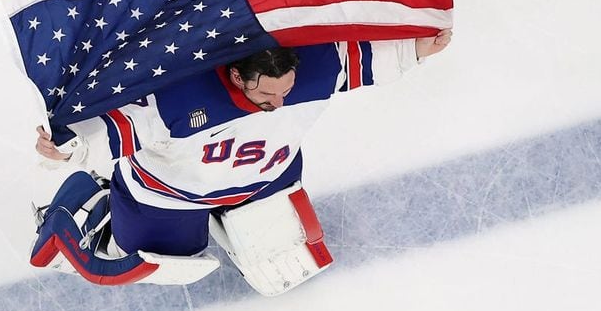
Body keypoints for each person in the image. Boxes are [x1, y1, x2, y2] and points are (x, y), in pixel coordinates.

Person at [29, 30, 452, 293]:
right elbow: (106, 131)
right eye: (267, 95)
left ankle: (231, 209)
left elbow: (369, 60)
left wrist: (418, 48)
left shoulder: (315, 68)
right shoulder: (176, 96)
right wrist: (66, 150)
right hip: (171, 194)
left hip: (267, 176)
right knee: (141, 257)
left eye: (286, 91)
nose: (279, 102)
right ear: (235, 76)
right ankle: (95, 206)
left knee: (281, 253)